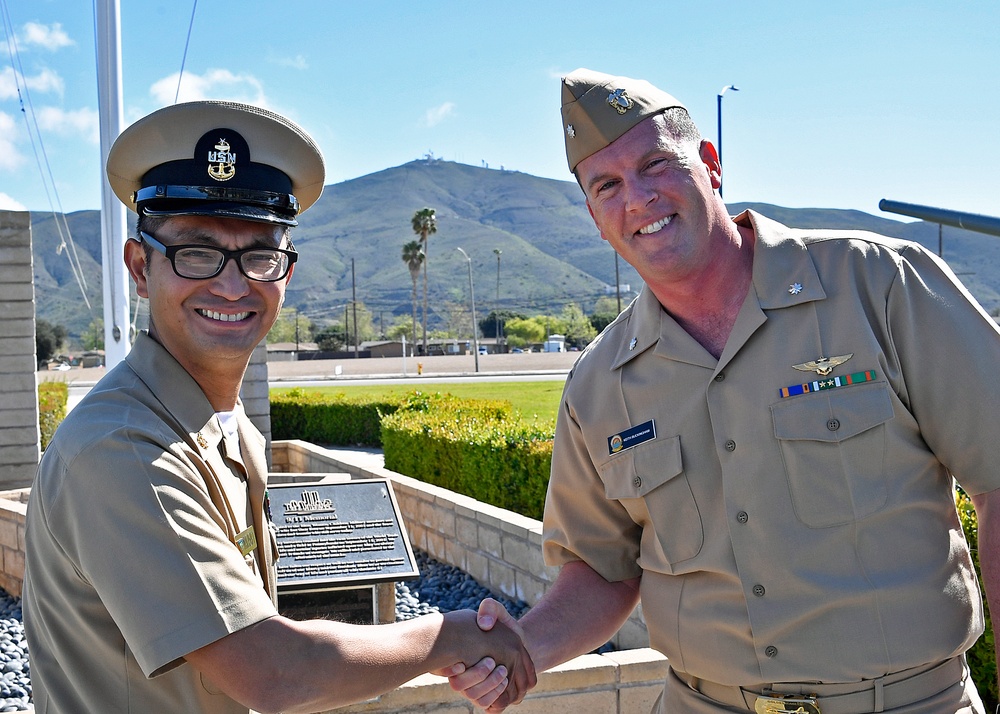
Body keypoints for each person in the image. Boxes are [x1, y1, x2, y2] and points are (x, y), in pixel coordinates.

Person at [450, 68, 1000, 713]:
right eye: (608, 185)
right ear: (596, 218)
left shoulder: (878, 286)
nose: (638, 198)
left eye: (656, 164)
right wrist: (519, 650)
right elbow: (602, 570)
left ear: (709, 164)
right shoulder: (600, 385)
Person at [23, 100, 534, 714]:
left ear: (285, 274)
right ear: (140, 267)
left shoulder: (222, 426)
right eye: (197, 252)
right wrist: (448, 637)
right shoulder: (124, 449)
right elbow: (272, 672)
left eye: (259, 255)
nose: (232, 284)